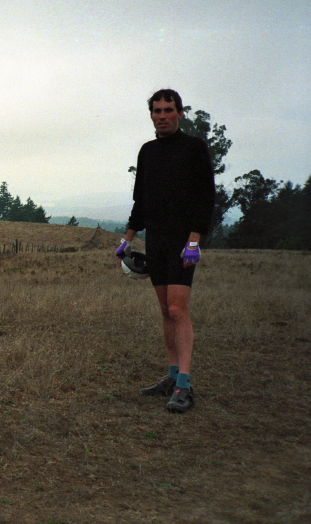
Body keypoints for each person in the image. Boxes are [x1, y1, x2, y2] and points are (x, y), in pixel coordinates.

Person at [117, 89, 215, 413]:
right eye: (156, 111)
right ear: (151, 115)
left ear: (179, 113)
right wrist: (128, 239)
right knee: (164, 310)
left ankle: (185, 385)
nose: (162, 116)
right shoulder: (147, 152)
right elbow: (140, 200)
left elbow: (205, 198)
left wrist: (194, 241)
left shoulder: (194, 148)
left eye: (168, 110)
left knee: (177, 310)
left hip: (183, 242)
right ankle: (172, 377)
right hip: (155, 240)